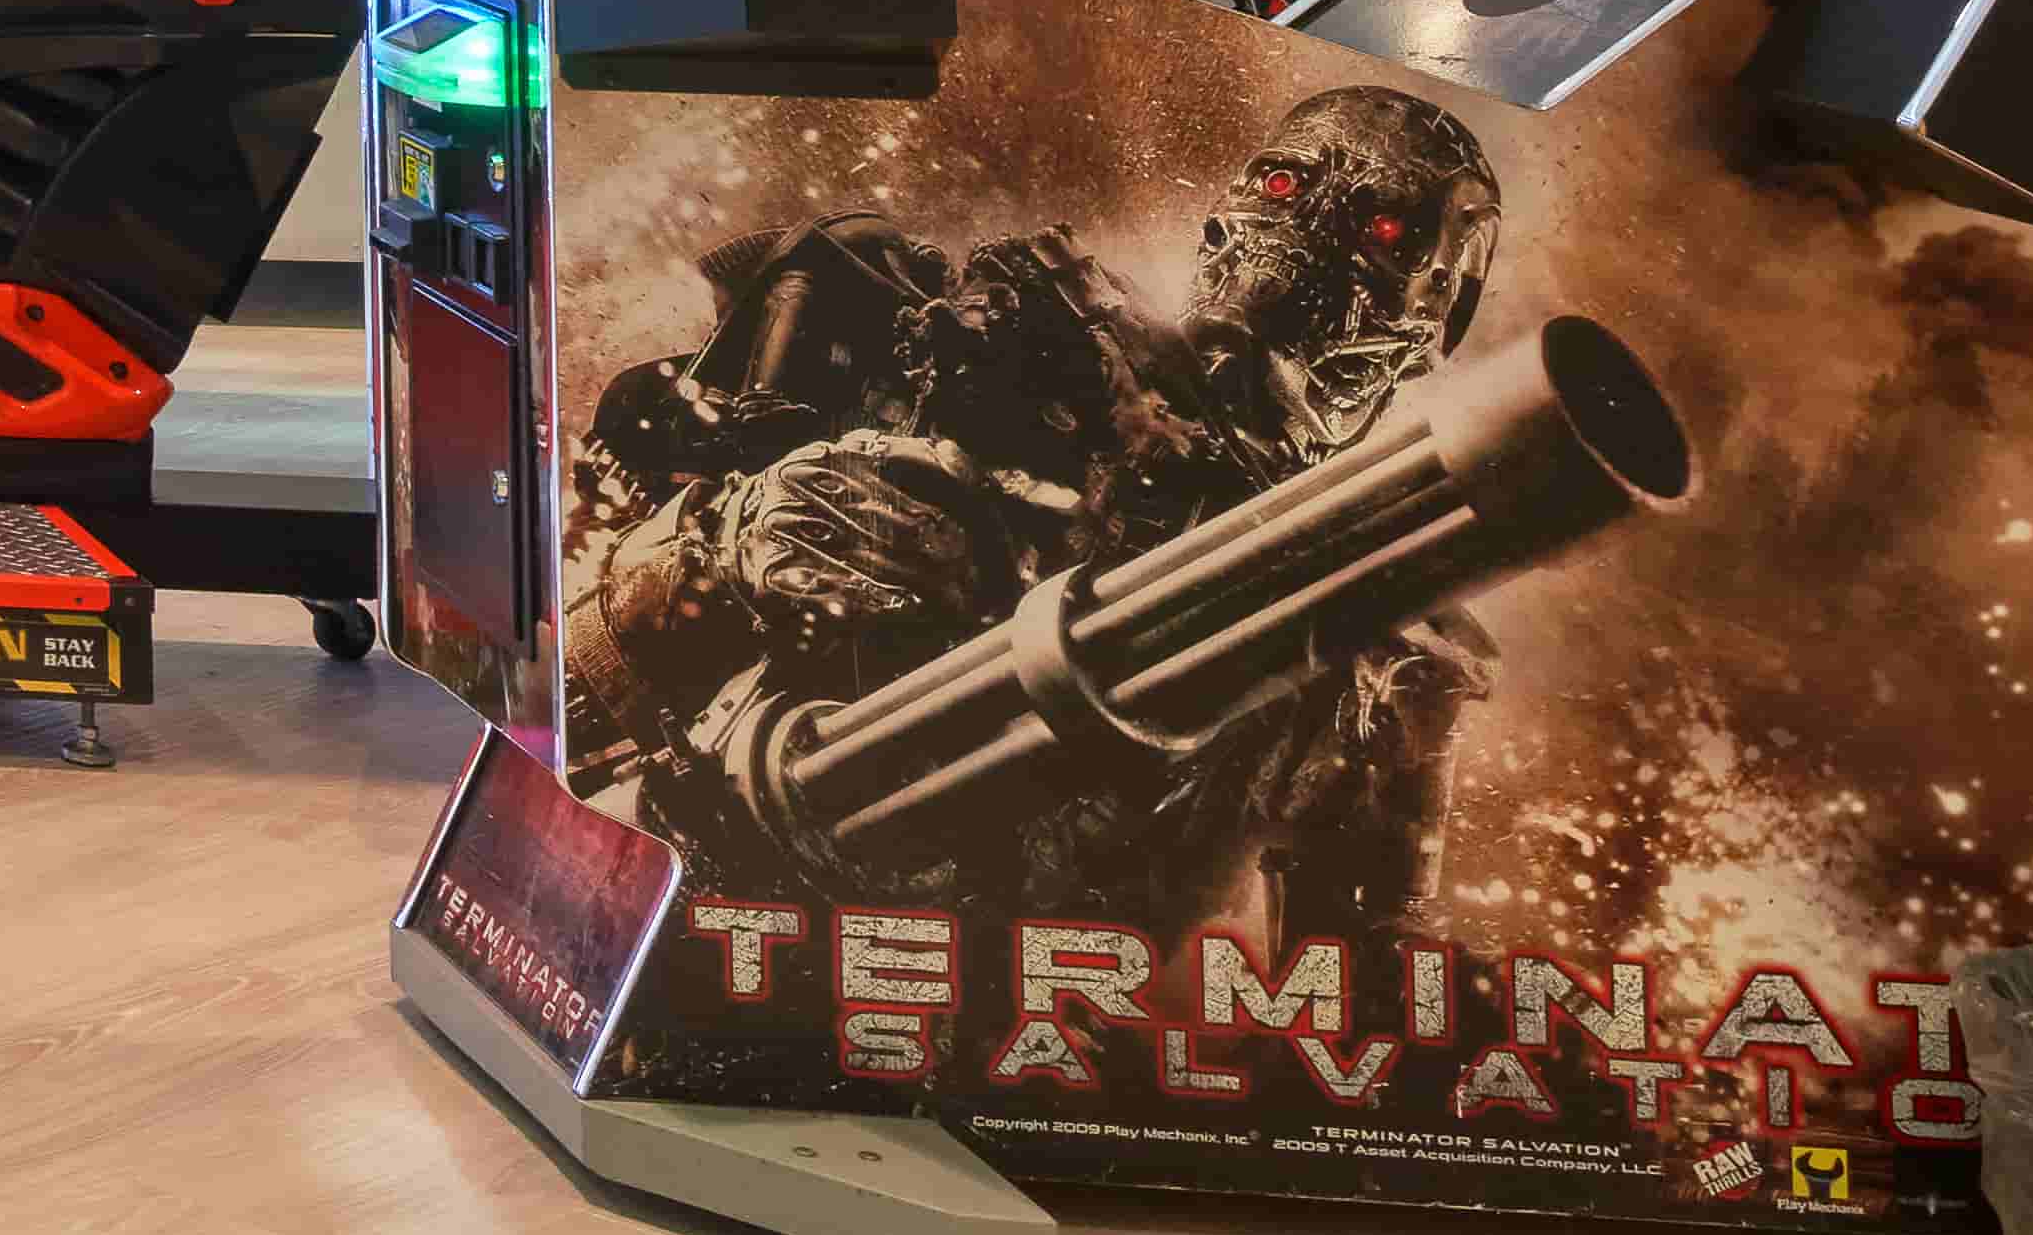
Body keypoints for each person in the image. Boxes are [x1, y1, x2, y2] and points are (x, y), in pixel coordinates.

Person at [563, 85, 1518, 927]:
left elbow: (1363, 999)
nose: (1285, 275)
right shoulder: (1016, 338)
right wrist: (731, 534)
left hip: (981, 1001)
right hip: (686, 851)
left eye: (1380, 239)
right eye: (1286, 201)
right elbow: (560, 671)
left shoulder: (1377, 634)